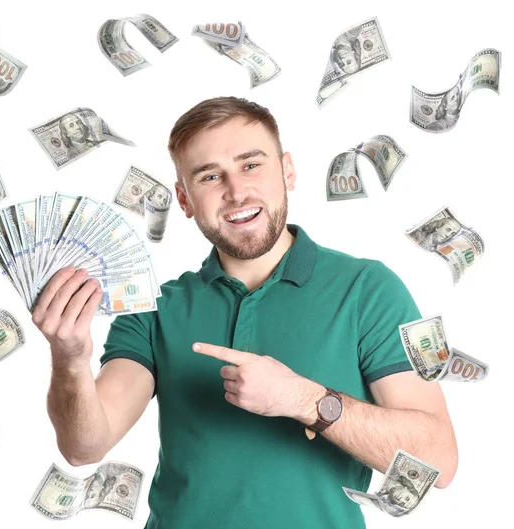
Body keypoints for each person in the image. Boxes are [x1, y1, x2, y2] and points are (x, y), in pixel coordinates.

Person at [32, 97, 458, 529]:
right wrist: (69, 359)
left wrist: (304, 400)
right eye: (210, 176)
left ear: (287, 171)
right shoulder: (154, 306)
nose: (236, 191)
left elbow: (437, 460)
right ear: (184, 199)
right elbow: (84, 446)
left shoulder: (368, 289)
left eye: (251, 165)